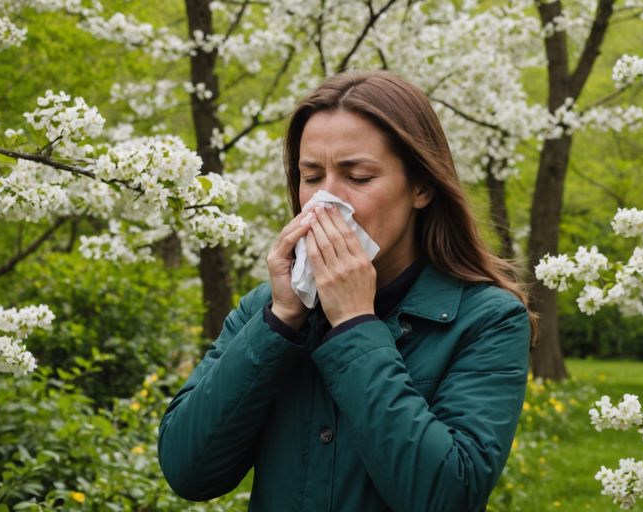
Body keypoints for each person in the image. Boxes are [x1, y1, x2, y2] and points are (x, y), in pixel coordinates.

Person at [158, 70, 535, 512]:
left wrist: (355, 324)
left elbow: (447, 497)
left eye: (357, 177)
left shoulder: (488, 320)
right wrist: (279, 322)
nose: (327, 202)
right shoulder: (267, 308)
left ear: (421, 186)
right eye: (312, 177)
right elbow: (188, 470)